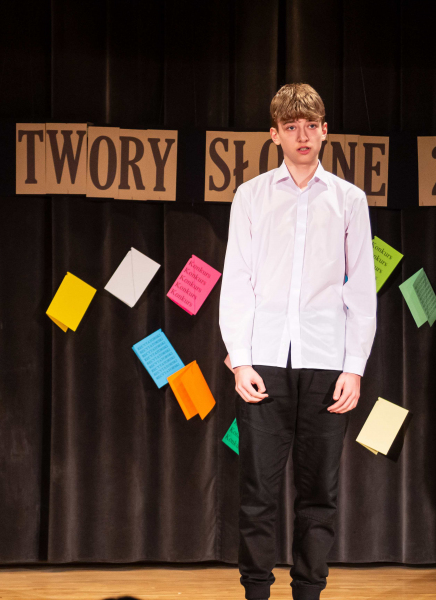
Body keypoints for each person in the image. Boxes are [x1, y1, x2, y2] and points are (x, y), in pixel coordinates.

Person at [219, 83, 377, 600]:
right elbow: (237, 280)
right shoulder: (251, 196)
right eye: (291, 127)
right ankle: (256, 592)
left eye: (311, 126)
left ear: (325, 130)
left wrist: (354, 366)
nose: (302, 135)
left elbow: (361, 288)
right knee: (258, 490)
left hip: (327, 361)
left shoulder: (349, 200)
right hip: (264, 360)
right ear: (275, 135)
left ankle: (309, 591)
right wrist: (240, 361)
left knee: (319, 492)